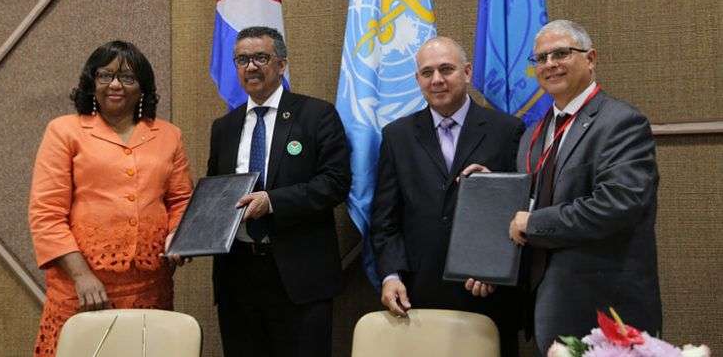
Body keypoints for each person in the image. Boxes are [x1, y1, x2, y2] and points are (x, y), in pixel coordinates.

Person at [465, 19, 662, 355]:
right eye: (540, 58)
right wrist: (495, 187)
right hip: (548, 301)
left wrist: (535, 223)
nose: (550, 64)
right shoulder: (532, 134)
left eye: (561, 53)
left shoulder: (621, 123)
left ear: (590, 58)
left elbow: (618, 203)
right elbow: (533, 201)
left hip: (607, 307)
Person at [28, 40, 193, 356]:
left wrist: (179, 236)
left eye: (128, 78)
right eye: (105, 75)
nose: (115, 84)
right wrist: (82, 278)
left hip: (151, 287)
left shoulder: (169, 135)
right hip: (83, 290)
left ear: (142, 87)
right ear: (92, 83)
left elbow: (181, 200)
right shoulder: (65, 131)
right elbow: (46, 213)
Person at [370, 36, 525, 356]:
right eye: (427, 73)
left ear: (467, 72)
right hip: (417, 292)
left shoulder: (507, 130)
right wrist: (390, 274)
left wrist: (494, 266)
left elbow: (521, 208)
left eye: (446, 69)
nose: (436, 80)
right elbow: (385, 218)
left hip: (486, 291)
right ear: (417, 80)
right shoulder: (397, 135)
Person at [207, 26, 351, 357]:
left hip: (299, 276)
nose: (251, 67)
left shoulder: (316, 115)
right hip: (238, 277)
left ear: (282, 64)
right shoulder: (224, 128)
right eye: (242, 59)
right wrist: (191, 235)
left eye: (261, 57)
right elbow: (215, 193)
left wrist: (272, 201)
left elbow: (335, 183)